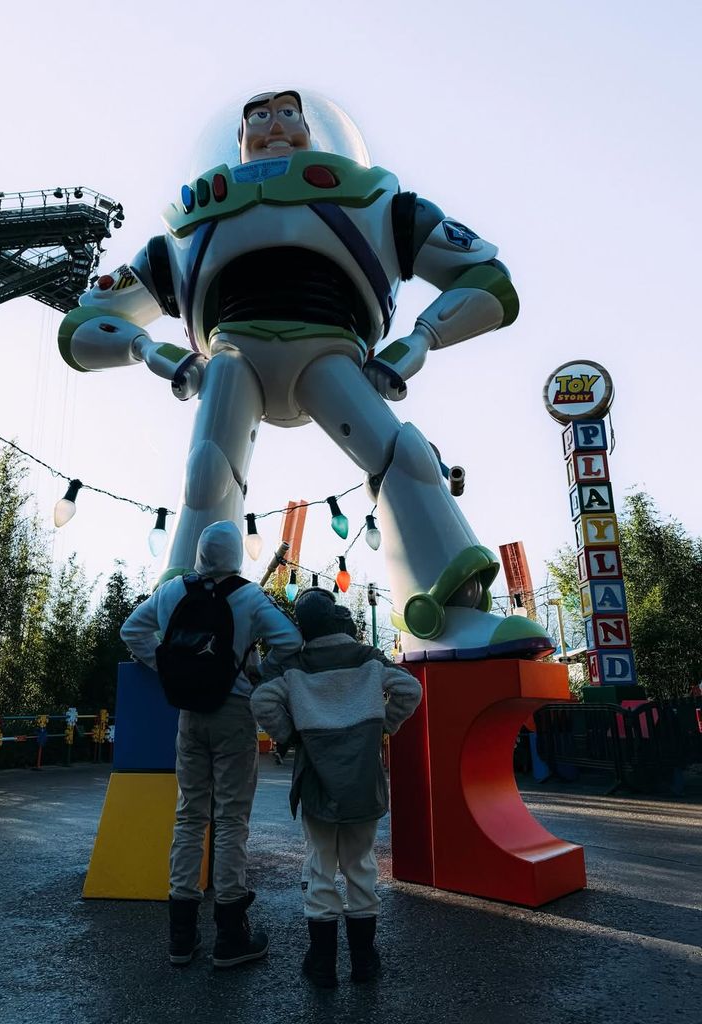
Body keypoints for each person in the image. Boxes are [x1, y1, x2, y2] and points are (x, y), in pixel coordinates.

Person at [59, 88, 554, 664]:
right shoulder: (189, 223)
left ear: (311, 130)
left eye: (287, 116)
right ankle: (185, 620)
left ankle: (444, 610)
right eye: (260, 120)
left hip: (329, 353)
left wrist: (418, 343)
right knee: (206, 478)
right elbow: (84, 326)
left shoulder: (375, 202)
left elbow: (488, 281)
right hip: (232, 355)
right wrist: (153, 351)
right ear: (238, 139)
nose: (274, 129)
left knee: (405, 457)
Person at [120, 520, 302, 968]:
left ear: (200, 553)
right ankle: (229, 934)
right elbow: (291, 642)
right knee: (230, 820)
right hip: (233, 714)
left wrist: (166, 669)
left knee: (189, 817)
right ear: (236, 555)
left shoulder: (173, 592)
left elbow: (132, 632)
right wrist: (257, 670)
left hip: (188, 716)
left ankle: (181, 936)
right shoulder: (249, 596)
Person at [251, 588, 422, 988]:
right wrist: (384, 725)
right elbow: (410, 690)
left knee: (320, 867)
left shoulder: (297, 664)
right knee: (361, 865)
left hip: (317, 780)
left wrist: (289, 733)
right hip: (363, 779)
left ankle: (323, 963)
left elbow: (261, 701)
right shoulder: (366, 658)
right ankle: (364, 960)